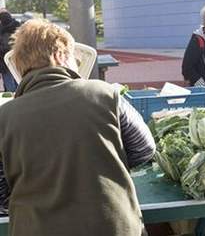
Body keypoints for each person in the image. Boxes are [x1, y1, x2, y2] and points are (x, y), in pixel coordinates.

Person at [0, 19, 155, 236]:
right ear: (60, 55)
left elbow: (1, 194)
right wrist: (105, 167)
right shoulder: (105, 94)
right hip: (113, 227)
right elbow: (145, 148)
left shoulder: (4, 117)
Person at [0, 11, 20, 92]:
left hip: (4, 60)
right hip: (18, 59)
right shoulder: (18, 28)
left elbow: (4, 47)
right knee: (18, 80)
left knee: (9, 84)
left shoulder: (2, 31)